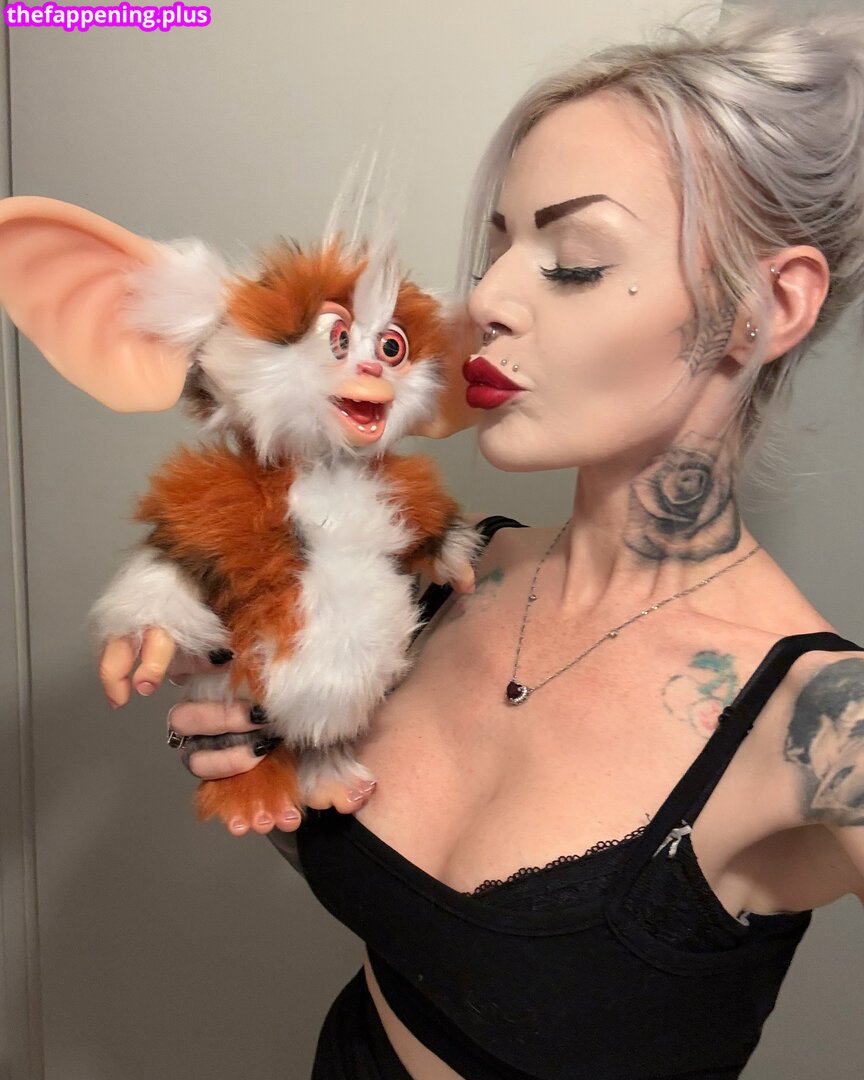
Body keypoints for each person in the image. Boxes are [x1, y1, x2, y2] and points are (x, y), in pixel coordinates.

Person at [97, 5, 864, 1078]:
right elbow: (431, 930)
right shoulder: (444, 580)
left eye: (575, 260)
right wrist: (278, 768)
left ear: (768, 305)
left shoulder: (826, 730)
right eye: (499, 247)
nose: (486, 299)